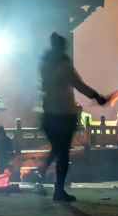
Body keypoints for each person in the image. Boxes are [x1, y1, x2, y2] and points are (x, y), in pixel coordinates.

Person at [39, 32, 108, 202]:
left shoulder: (43, 63)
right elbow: (78, 84)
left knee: (57, 148)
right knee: (63, 153)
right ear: (61, 47)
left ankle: (43, 169)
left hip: (48, 111)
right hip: (64, 112)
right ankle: (58, 190)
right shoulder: (64, 64)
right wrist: (96, 96)